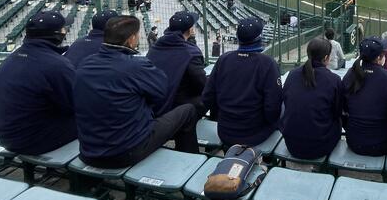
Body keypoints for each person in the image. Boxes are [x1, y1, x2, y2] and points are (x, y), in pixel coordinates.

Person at [74, 15, 199, 167]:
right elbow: (161, 94)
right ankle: (190, 164)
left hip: (88, 151)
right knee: (188, 110)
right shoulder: (136, 65)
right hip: (127, 151)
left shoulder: (86, 63)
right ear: (132, 39)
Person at [0, 11, 77, 155]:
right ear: (57, 34)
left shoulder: (12, 57)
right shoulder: (57, 64)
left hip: (2, 134)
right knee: (93, 118)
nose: (65, 31)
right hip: (30, 140)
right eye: (63, 28)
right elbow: (75, 104)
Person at [203, 18, 283, 147]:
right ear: (259, 38)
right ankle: (268, 159)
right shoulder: (268, 63)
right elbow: (272, 108)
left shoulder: (224, 59)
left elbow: (207, 97)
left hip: (225, 132)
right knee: (282, 108)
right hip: (254, 134)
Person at [280, 37, 343, 159]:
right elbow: (337, 112)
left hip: (292, 145)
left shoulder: (292, 74)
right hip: (320, 146)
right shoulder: (333, 80)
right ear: (326, 58)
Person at [342, 37, 387, 156]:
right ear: (379, 58)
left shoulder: (349, 74)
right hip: (382, 144)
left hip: (354, 142)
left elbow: (344, 108)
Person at [146, 12, 207, 115]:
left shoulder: (156, 46)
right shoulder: (191, 53)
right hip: (172, 108)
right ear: (190, 30)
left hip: (153, 105)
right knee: (211, 95)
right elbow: (203, 85)